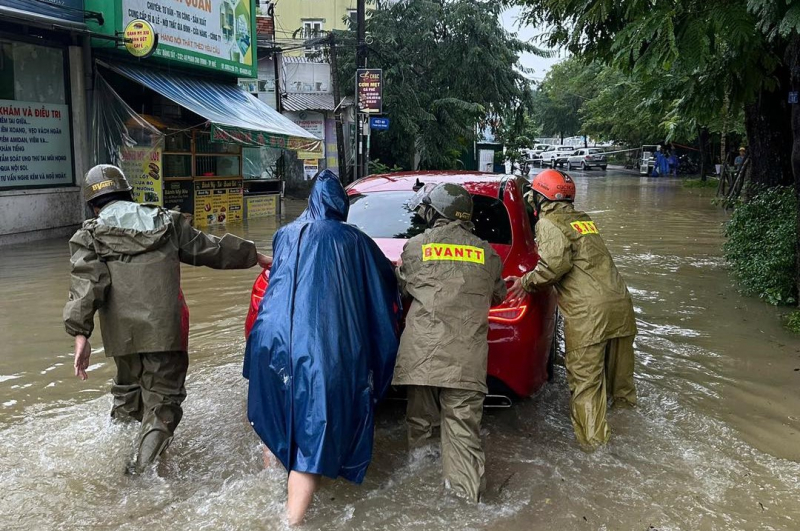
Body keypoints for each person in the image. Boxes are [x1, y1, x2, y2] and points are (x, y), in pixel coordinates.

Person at [64, 164, 270, 474]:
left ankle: (120, 452)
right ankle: (140, 473)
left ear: (93, 204)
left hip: (122, 337)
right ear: (128, 194)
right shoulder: (166, 222)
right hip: (165, 332)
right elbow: (209, 249)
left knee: (127, 393)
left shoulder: (89, 234)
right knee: (163, 402)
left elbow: (86, 283)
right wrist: (254, 256)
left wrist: (80, 334)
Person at [243, 170, 401, 526]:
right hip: (319, 350)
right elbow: (385, 287)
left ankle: (272, 483)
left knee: (279, 415)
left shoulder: (284, 234)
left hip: (268, 344)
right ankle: (291, 521)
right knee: (312, 442)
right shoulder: (353, 240)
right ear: (341, 207)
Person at [505, 169, 637, 451]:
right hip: (620, 306)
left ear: (540, 198)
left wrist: (525, 283)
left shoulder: (549, 223)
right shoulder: (584, 221)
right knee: (621, 387)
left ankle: (597, 455)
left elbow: (554, 266)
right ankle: (631, 437)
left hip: (589, 315)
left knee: (587, 386)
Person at [393, 182, 506, 502]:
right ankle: (464, 506)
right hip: (464, 363)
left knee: (422, 431)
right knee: (462, 436)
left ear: (435, 213)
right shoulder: (488, 253)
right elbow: (498, 294)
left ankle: (421, 499)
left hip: (422, 358)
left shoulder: (415, 247)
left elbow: (402, 289)